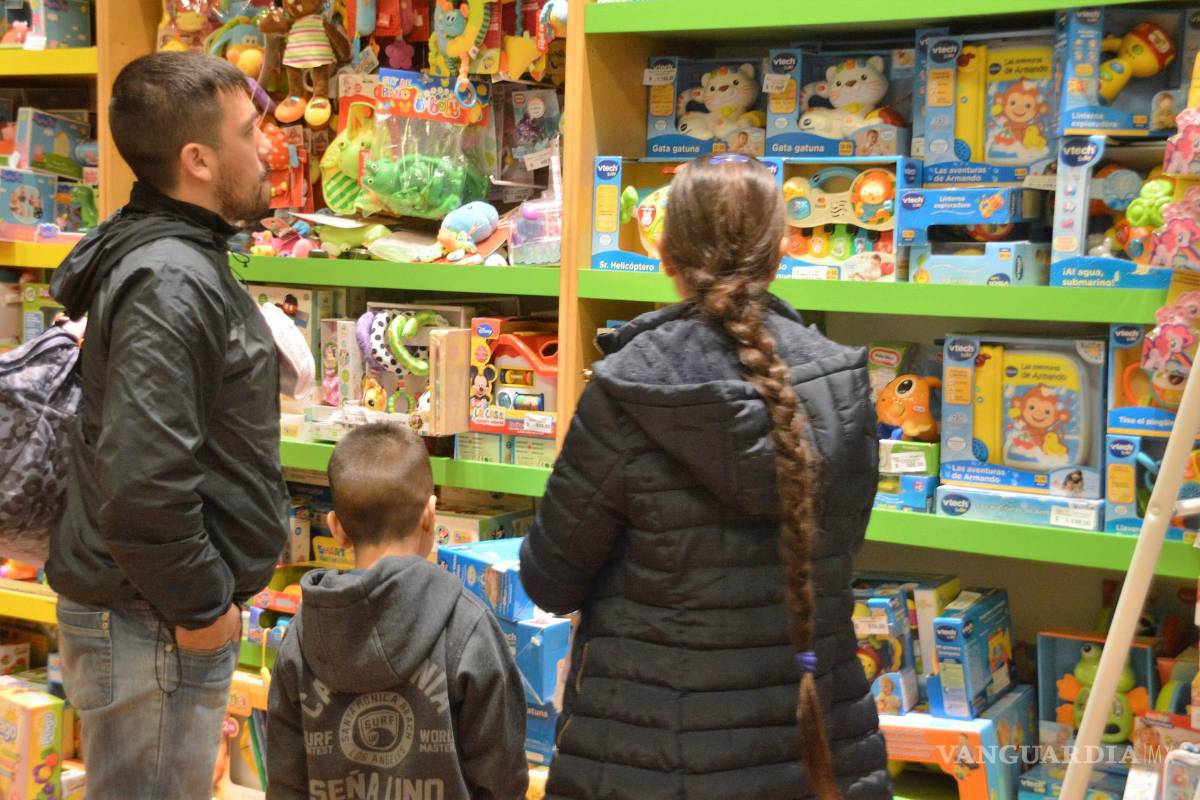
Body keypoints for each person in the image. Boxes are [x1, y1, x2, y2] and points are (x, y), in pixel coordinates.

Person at [520, 154, 889, 800]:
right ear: (780, 250)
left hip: (645, 756)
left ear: (665, 253)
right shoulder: (842, 386)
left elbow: (550, 578)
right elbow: (842, 550)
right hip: (813, 747)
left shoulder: (625, 389)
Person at [47, 51, 289, 797]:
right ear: (199, 160)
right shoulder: (171, 279)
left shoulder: (175, 257)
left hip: (152, 615)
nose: (266, 149)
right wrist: (204, 610)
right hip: (153, 620)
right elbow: (143, 485)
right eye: (250, 133)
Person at [266, 423, 528, 800]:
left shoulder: (303, 632)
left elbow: (286, 783)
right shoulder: (468, 627)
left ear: (336, 528)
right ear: (430, 515)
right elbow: (503, 779)